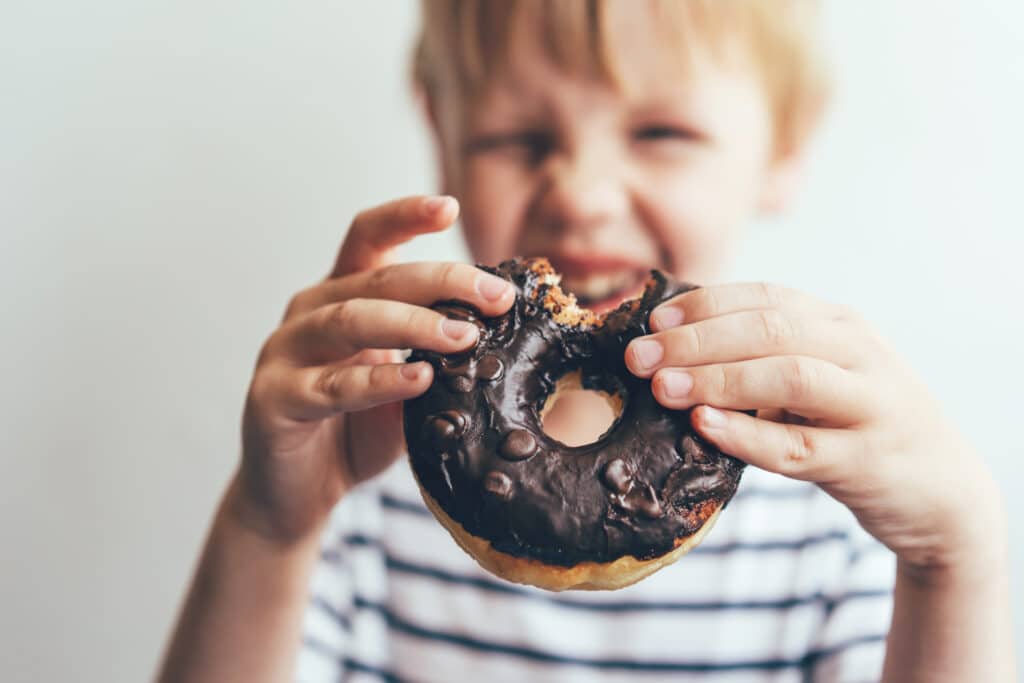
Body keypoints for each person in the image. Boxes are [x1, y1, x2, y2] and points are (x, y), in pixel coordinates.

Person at [157, 1, 1015, 681]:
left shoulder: (834, 524)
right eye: (516, 139)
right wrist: (270, 529)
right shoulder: (360, 493)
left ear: (782, 145)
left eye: (661, 133)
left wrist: (952, 562)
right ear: (442, 141)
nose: (583, 195)